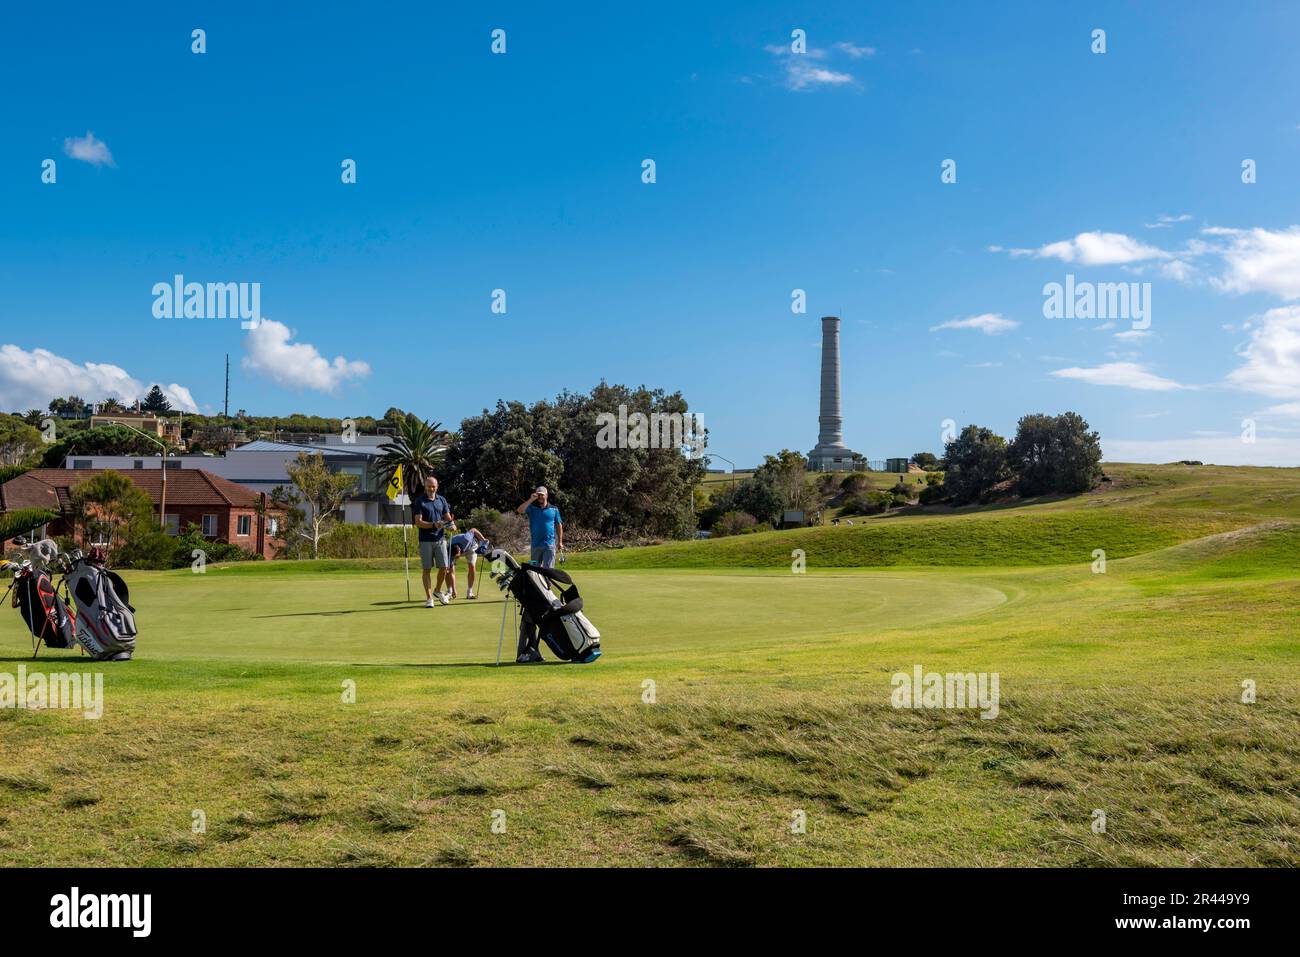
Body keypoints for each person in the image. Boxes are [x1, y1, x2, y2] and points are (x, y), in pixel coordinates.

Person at [411, 475, 455, 606]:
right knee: (427, 569)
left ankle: (437, 590)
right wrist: (433, 525)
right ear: (425, 487)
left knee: (444, 568)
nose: (431, 488)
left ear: (437, 487)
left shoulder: (441, 500)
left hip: (440, 539)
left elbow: (447, 517)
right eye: (429, 486)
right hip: (425, 540)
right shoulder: (420, 501)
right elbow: (418, 522)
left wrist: (452, 524)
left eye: (433, 486)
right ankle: (429, 598)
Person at [516, 485, 563, 568]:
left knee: (548, 571)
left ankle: (547, 581)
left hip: (549, 545)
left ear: (546, 496)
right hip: (535, 545)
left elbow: (559, 525)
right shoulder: (532, 508)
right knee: (534, 570)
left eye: (542, 495)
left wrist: (560, 542)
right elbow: (519, 510)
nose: (540, 497)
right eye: (538, 495)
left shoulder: (554, 509)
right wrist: (531, 499)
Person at [447, 527, 490, 600]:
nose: (456, 559)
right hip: (455, 548)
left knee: (472, 566)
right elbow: (451, 572)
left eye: (457, 557)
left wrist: (484, 541)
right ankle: (450, 591)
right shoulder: (449, 551)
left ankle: (469, 592)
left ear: (460, 551)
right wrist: (454, 590)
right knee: (449, 569)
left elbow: (473, 530)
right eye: (455, 558)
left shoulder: (466, 538)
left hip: (471, 546)